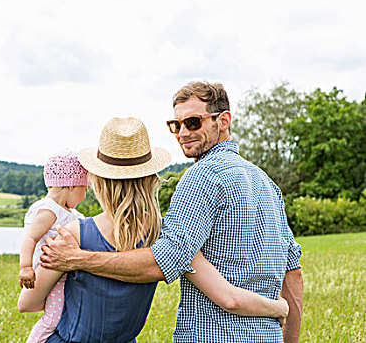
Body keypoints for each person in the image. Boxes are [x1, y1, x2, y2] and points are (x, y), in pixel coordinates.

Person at [41, 83, 304, 343]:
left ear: (223, 120)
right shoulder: (266, 183)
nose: (182, 133)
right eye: (175, 125)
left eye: (192, 122)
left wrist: (78, 259)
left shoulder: (201, 177)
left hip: (212, 335)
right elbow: (293, 270)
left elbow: (164, 261)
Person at [18, 151, 89, 343]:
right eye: (84, 189)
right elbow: (30, 238)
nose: (84, 195)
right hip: (50, 272)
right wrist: (25, 267)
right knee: (51, 319)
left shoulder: (69, 212)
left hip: (62, 271)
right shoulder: (50, 210)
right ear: (71, 185)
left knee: (60, 313)